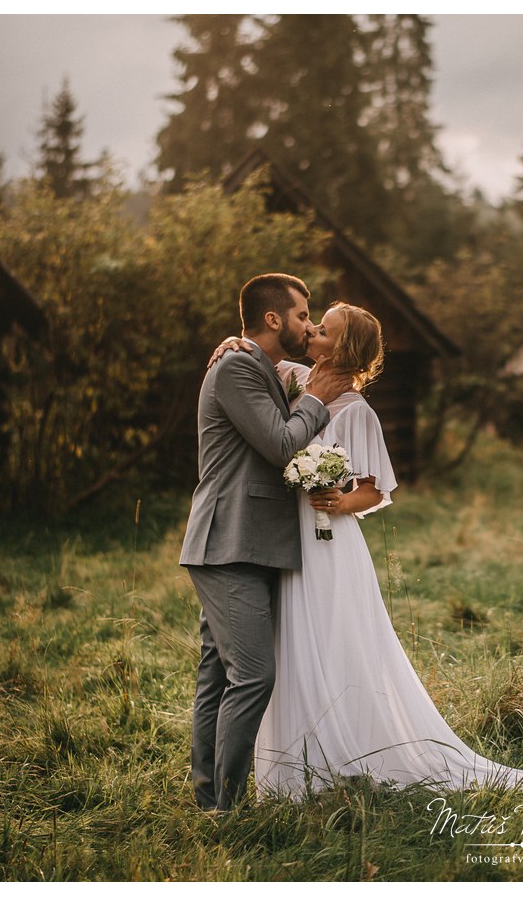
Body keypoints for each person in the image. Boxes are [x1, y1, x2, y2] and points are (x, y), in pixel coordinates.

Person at [217, 302, 523, 800]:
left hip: (326, 536)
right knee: (288, 642)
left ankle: (344, 753)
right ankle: (290, 764)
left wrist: (338, 499)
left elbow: (375, 490)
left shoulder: (357, 412)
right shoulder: (296, 380)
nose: (313, 331)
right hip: (282, 536)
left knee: (328, 636)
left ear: (343, 348)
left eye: (324, 330)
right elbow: (255, 360)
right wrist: (232, 342)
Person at [179, 273, 353, 812]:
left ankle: (209, 799)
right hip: (228, 540)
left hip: (250, 543)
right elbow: (280, 444)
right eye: (303, 315)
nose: (310, 324)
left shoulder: (259, 366)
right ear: (274, 318)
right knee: (253, 676)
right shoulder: (236, 366)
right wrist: (318, 400)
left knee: (218, 676)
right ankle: (225, 809)